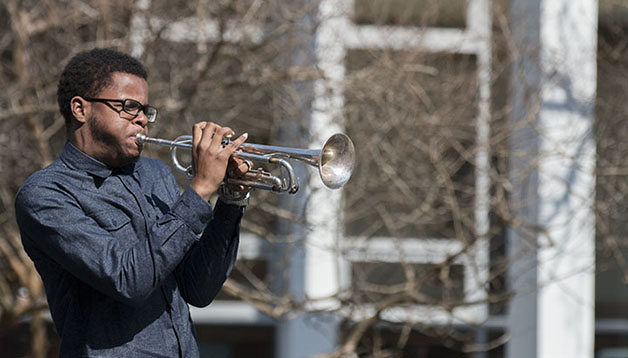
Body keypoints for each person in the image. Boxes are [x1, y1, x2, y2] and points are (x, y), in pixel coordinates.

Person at [14, 48, 251, 357]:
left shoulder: (156, 174)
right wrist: (201, 188)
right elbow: (128, 279)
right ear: (80, 109)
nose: (142, 119)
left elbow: (198, 288)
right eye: (128, 107)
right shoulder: (47, 194)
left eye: (144, 110)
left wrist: (231, 200)